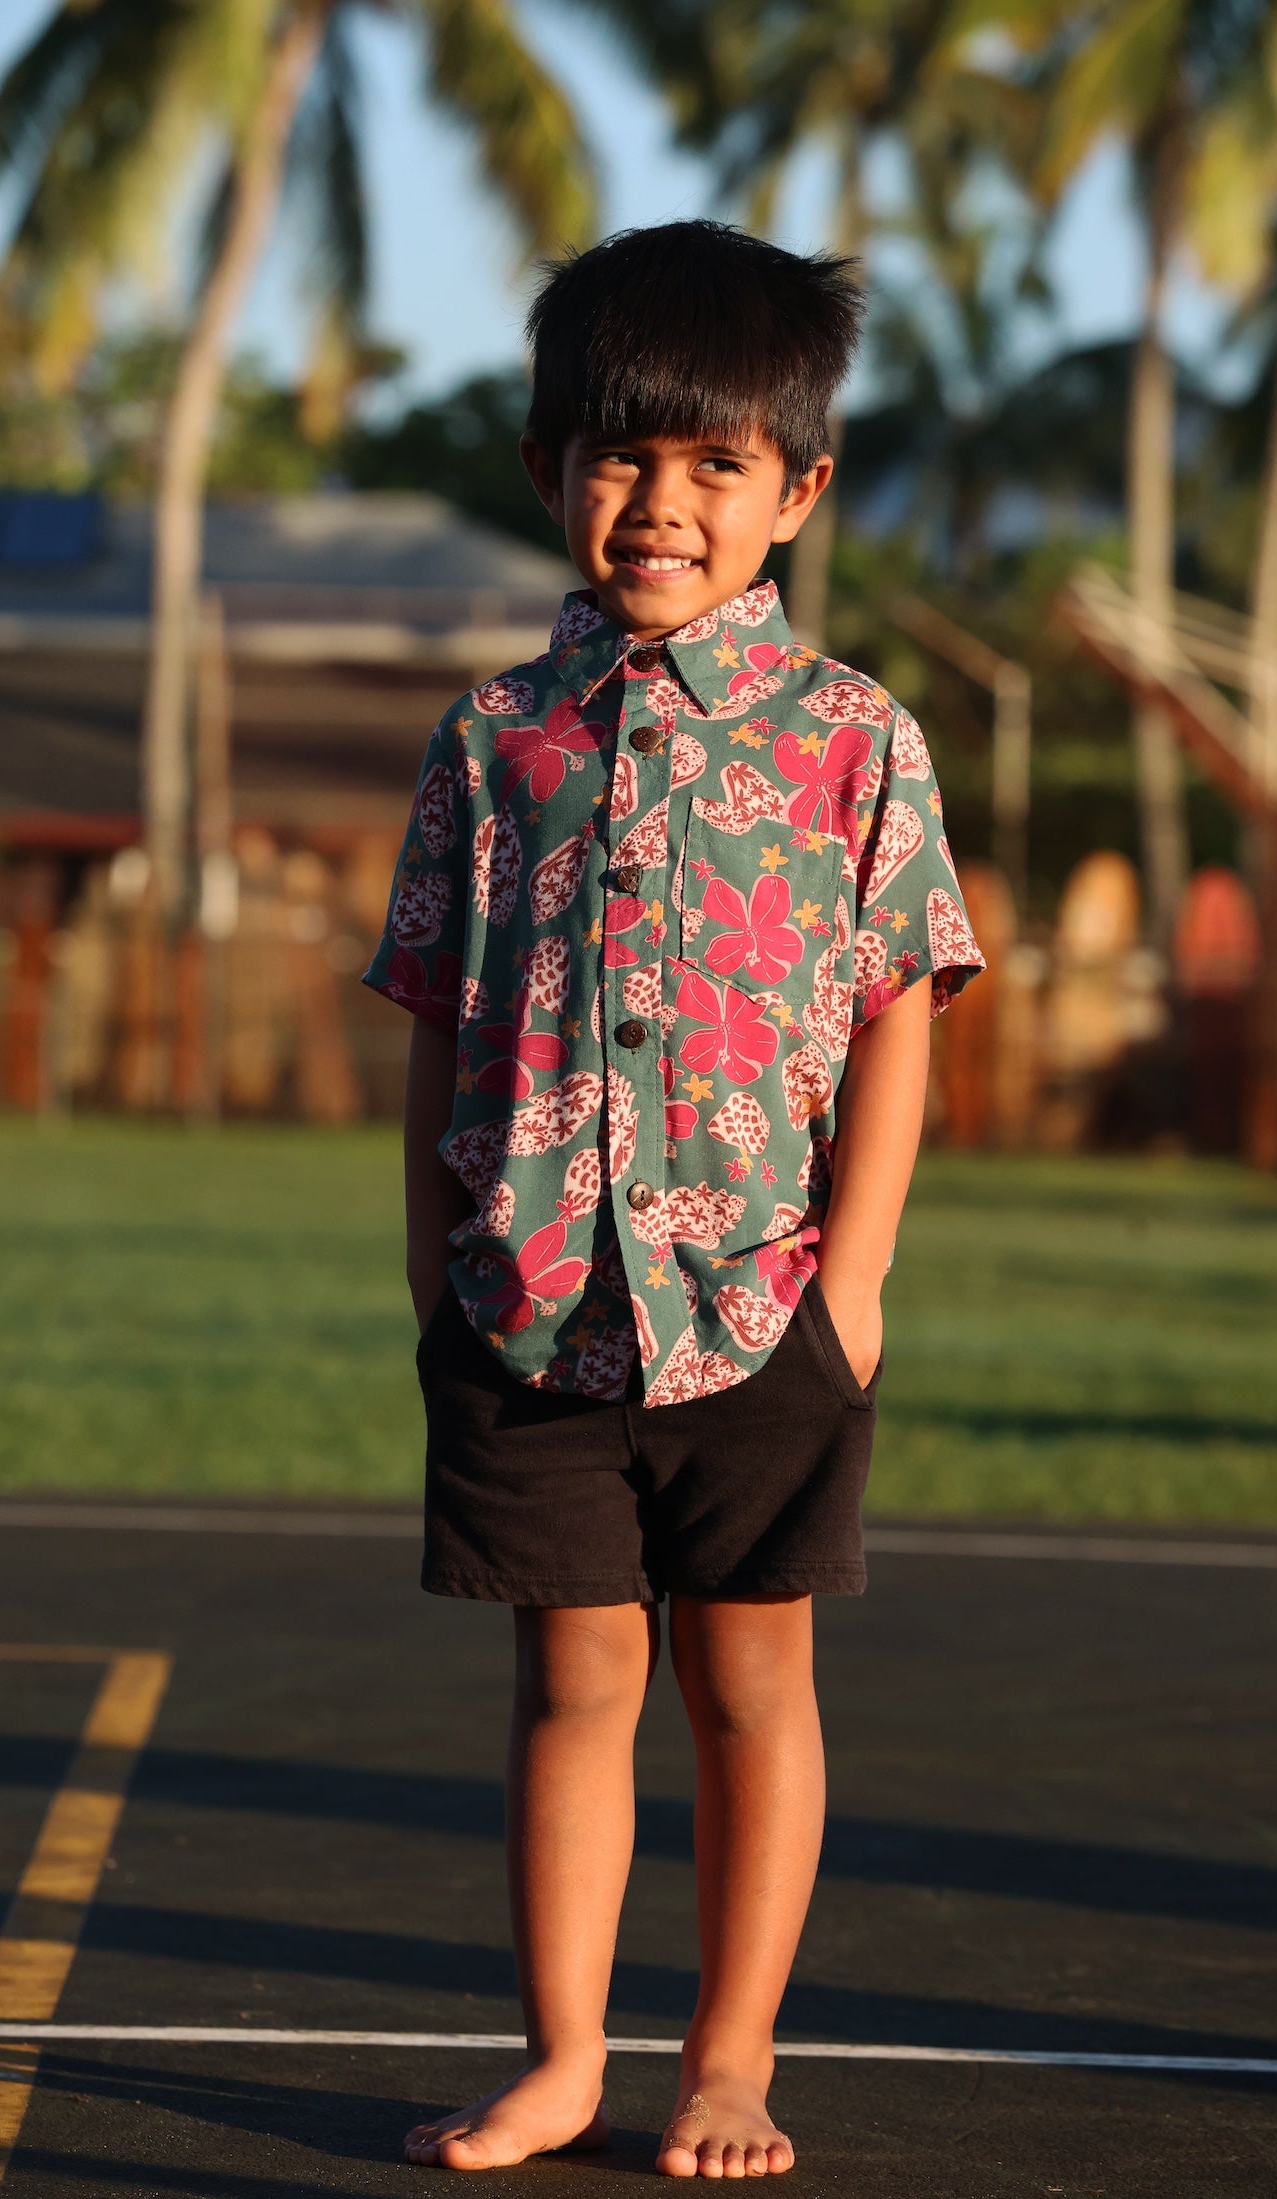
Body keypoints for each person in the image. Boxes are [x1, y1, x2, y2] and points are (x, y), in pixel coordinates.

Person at [364, 219, 984, 2178]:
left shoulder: (850, 743)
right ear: (550, 470)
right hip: (528, 1302)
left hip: (761, 1301)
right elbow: (432, 1023)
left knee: (746, 1679)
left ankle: (727, 2056)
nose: (660, 502)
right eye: (619, 454)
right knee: (573, 1682)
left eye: (716, 462)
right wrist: (430, 1273)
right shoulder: (492, 743)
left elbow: (898, 1011)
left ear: (795, 489)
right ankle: (560, 2054)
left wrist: (854, 1279)